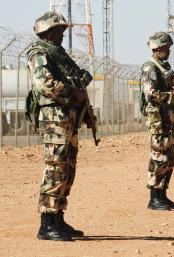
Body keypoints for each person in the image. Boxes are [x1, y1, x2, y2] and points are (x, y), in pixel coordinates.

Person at [27, 11, 92, 240]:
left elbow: (77, 80)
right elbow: (45, 84)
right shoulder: (39, 53)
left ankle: (58, 218)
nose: (62, 34)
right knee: (55, 167)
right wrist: (73, 93)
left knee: (67, 167)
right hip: (55, 117)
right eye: (58, 30)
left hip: (67, 117)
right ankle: (47, 224)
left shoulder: (59, 54)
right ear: (47, 31)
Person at [141, 32, 174, 210]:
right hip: (158, 121)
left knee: (169, 158)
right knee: (158, 157)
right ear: (156, 49)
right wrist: (172, 96)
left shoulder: (165, 68)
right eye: (166, 48)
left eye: (169, 48)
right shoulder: (150, 68)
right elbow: (152, 94)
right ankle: (154, 197)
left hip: (168, 120)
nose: (168, 51)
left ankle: (162, 194)